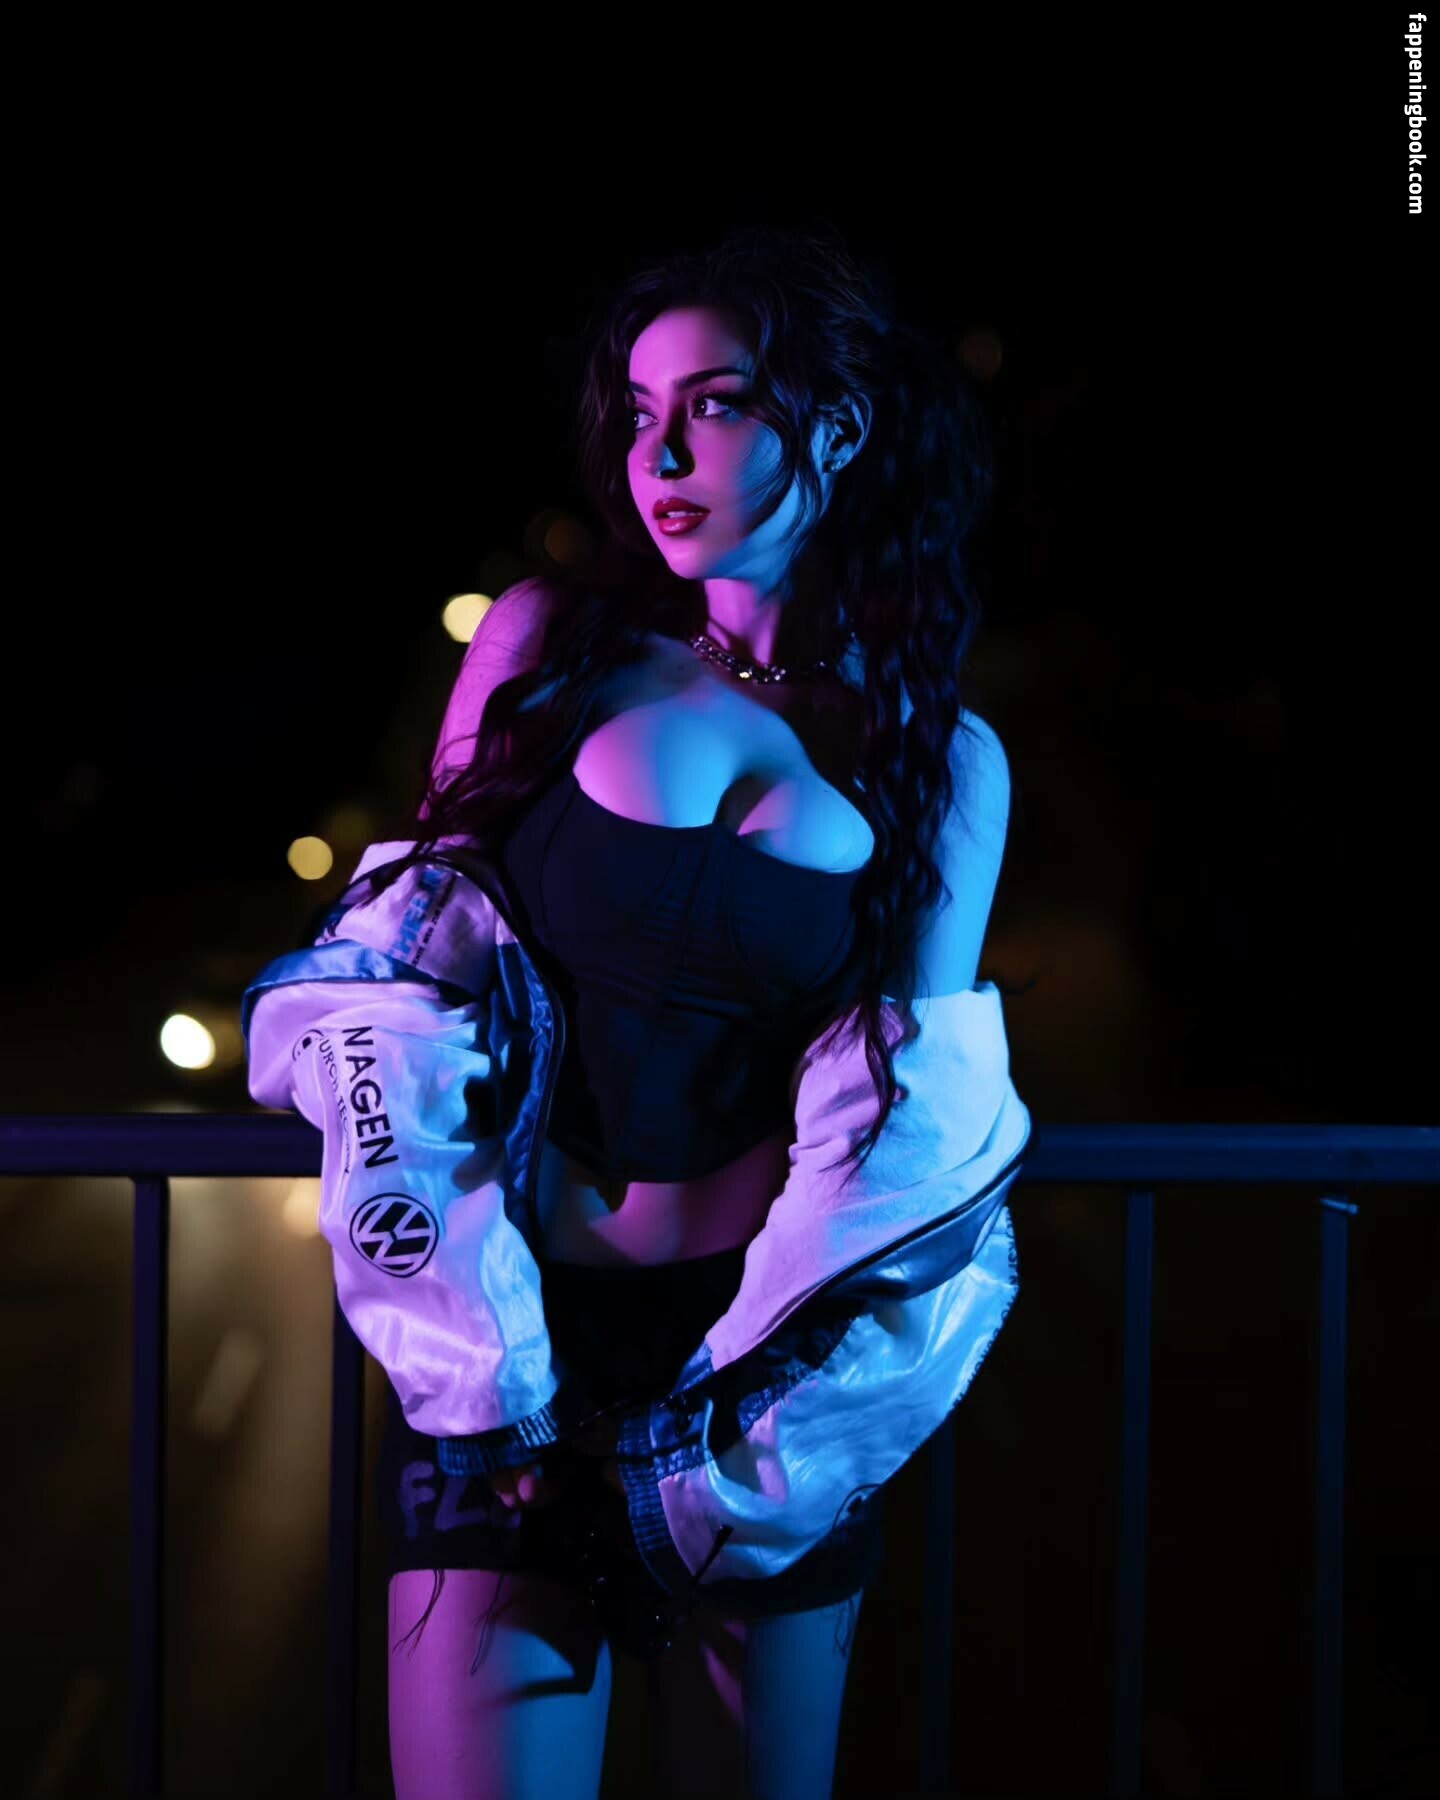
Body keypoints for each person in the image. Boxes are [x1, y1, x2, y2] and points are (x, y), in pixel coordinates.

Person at [243, 221, 1030, 1800]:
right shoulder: (549, 646)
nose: (657, 455)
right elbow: (407, 984)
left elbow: (913, 1131)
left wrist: (765, 1420)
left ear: (837, 427)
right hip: (512, 1357)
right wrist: (481, 1369)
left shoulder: (942, 760)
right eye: (640, 412)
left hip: (759, 1393)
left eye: (715, 406)